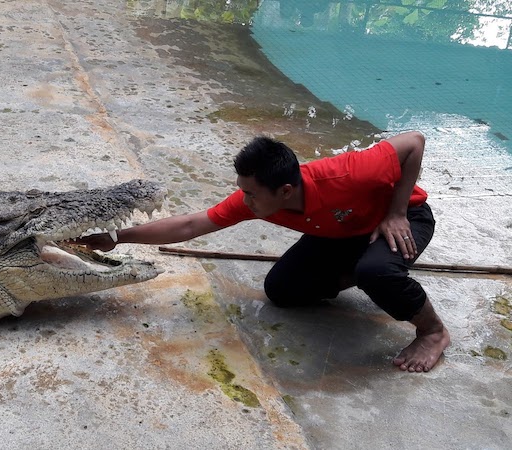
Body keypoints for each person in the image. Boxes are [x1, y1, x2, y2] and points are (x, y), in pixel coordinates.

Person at [77, 131, 450, 373]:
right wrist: (118, 236)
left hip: (400, 219)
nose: (245, 200)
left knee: (378, 273)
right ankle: (362, 271)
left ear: (285, 190)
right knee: (282, 291)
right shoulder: (255, 199)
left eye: (252, 193)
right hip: (341, 233)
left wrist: (397, 211)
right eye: (243, 190)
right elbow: (192, 225)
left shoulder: (349, 172)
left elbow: (413, 142)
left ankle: (432, 331)